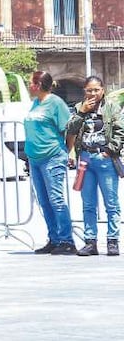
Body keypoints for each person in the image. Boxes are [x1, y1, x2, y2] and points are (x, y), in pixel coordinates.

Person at [65, 75, 123, 256]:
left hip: (105, 159)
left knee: (111, 203)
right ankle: (90, 242)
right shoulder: (78, 107)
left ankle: (113, 241)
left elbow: (120, 131)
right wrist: (82, 112)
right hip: (85, 159)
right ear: (84, 91)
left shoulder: (112, 107)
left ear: (103, 90)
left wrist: (110, 150)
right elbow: (70, 129)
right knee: (88, 203)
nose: (93, 93)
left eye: (96, 90)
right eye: (89, 90)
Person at [24, 71, 76, 255]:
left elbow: (69, 129)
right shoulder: (36, 103)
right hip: (35, 159)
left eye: (30, 82)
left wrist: (67, 150)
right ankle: (54, 238)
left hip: (52, 156)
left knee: (56, 199)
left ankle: (67, 240)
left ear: (37, 85)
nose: (28, 86)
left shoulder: (56, 103)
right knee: (44, 202)